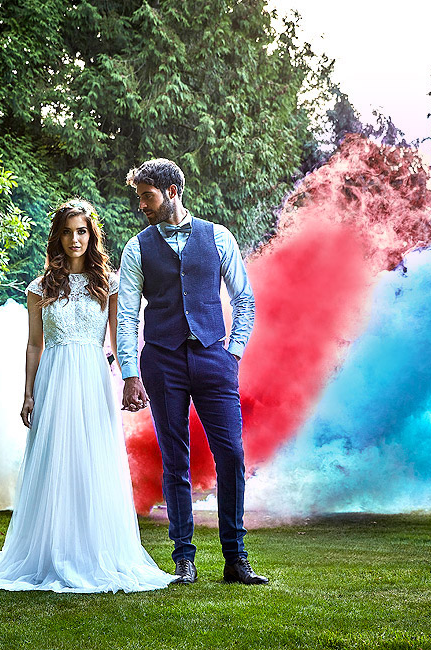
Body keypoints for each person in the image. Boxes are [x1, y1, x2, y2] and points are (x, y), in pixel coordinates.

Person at [0, 199, 174, 593]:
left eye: (81, 231)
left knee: (91, 461)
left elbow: (120, 338)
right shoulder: (40, 287)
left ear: (91, 235)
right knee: (54, 462)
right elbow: (33, 346)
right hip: (54, 379)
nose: (75, 239)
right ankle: (50, 550)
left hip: (93, 379)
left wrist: (134, 379)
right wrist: (27, 394)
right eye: (67, 231)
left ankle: (95, 551)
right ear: (57, 237)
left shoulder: (107, 285)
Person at [117, 159, 268, 585]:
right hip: (161, 361)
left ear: (172, 192)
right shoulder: (136, 248)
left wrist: (232, 353)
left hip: (213, 359)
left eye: (147, 197)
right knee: (175, 461)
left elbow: (244, 300)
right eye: (140, 198)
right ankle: (184, 558)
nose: (142, 206)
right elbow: (127, 314)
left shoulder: (218, 237)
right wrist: (130, 372)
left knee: (232, 457)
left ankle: (235, 558)